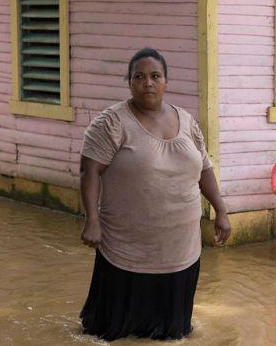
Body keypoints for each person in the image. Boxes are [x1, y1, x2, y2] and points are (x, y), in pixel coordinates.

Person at [78, 47, 231, 341]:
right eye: (139, 76)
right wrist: (91, 220)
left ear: (166, 81)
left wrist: (221, 211)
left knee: (173, 333)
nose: (148, 82)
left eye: (155, 76)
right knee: (111, 332)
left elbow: (205, 170)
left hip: (180, 248)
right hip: (126, 247)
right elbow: (89, 171)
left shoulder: (187, 121)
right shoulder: (111, 123)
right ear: (129, 82)